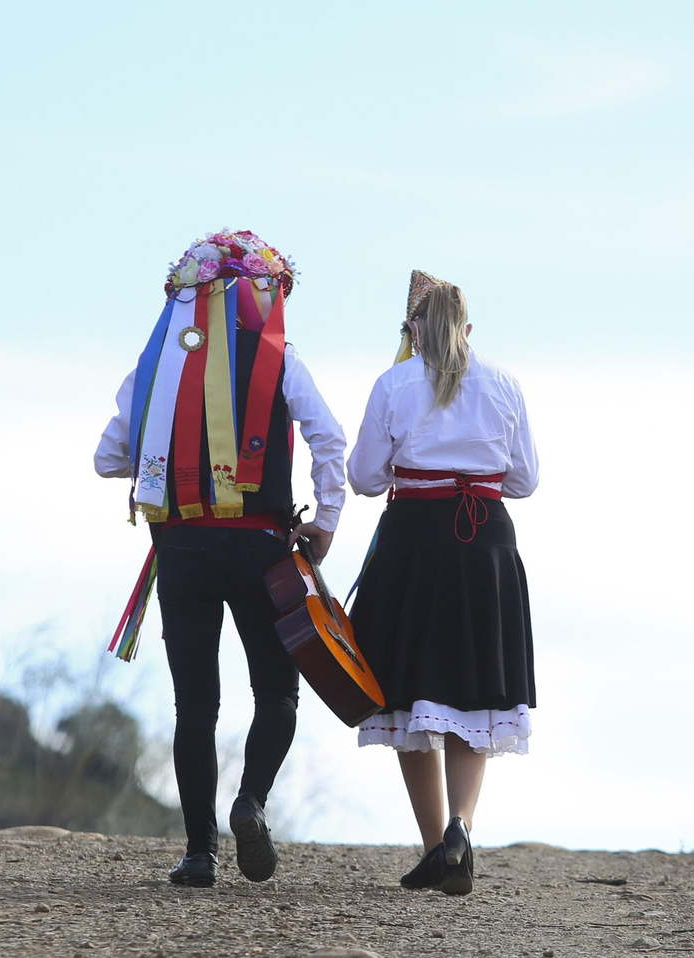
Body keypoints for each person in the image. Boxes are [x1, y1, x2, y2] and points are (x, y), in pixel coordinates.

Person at [94, 230, 346, 888]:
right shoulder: (281, 358)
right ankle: (251, 802)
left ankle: (199, 853)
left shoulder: (156, 366)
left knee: (195, 705)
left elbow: (107, 458)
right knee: (277, 692)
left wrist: (167, 456)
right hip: (262, 549)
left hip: (183, 551)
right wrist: (325, 521)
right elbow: (328, 438)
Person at [345, 271, 538, 896]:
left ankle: (435, 844)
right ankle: (460, 827)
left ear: (415, 329)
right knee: (473, 690)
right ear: (468, 329)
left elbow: (365, 479)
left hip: (414, 543)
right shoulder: (504, 383)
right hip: (486, 542)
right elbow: (525, 480)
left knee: (408, 692)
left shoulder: (394, 383)